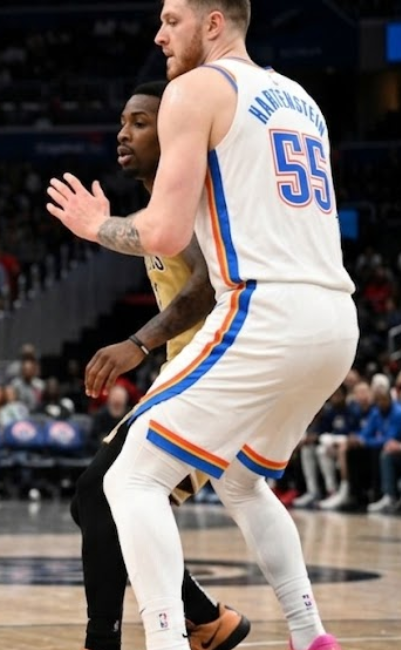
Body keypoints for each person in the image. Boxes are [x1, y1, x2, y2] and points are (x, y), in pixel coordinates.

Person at [47, 2, 357, 649]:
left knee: (130, 479)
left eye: (171, 19)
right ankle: (309, 634)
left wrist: (92, 226)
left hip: (263, 311)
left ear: (213, 22)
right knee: (244, 479)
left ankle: (168, 640)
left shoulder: (193, 90)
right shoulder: (300, 99)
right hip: (334, 318)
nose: (159, 35)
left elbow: (162, 232)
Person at [69, 81, 248, 650]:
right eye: (123, 122)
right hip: (189, 374)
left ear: (173, 132)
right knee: (98, 499)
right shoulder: (160, 208)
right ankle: (208, 618)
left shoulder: (192, 194)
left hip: (220, 371)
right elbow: (157, 244)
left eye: (140, 122)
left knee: (102, 494)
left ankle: (111, 639)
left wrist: (137, 344)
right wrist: (103, 225)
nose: (124, 132)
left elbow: (203, 284)